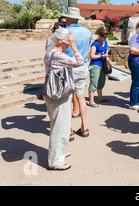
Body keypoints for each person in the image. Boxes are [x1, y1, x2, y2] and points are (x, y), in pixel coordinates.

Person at [44, 27, 84, 170]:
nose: (71, 41)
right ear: (60, 40)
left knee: (60, 125)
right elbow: (80, 62)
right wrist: (74, 47)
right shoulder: (58, 55)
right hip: (58, 95)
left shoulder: (50, 49)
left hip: (52, 93)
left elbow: (49, 42)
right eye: (69, 39)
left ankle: (59, 152)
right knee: (60, 128)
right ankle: (56, 161)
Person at [61, 7, 92, 139]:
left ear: (68, 18)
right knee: (81, 96)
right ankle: (84, 127)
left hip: (68, 67)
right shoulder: (87, 32)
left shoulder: (64, 32)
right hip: (82, 66)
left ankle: (69, 130)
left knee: (67, 99)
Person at [87, 27, 110, 107]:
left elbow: (106, 50)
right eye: (104, 37)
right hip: (95, 64)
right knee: (94, 82)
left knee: (101, 82)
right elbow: (92, 56)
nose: (105, 39)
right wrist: (101, 55)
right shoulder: (95, 44)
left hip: (102, 64)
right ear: (100, 35)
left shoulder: (105, 42)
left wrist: (106, 55)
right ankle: (91, 101)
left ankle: (100, 98)